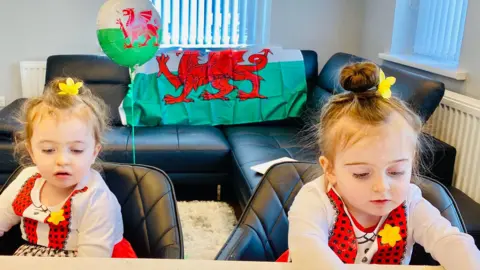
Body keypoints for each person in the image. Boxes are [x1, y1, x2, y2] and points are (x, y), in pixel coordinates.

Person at [284, 62, 480, 269]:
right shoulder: (315, 199)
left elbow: (450, 241)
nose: (382, 187)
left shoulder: (411, 203)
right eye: (361, 174)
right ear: (330, 169)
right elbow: (308, 249)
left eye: (396, 171)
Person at [0, 77, 136, 258]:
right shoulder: (26, 180)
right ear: (31, 152)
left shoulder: (97, 200)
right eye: (48, 150)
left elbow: (92, 263)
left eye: (77, 150)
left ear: (94, 152)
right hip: (33, 253)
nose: (62, 160)